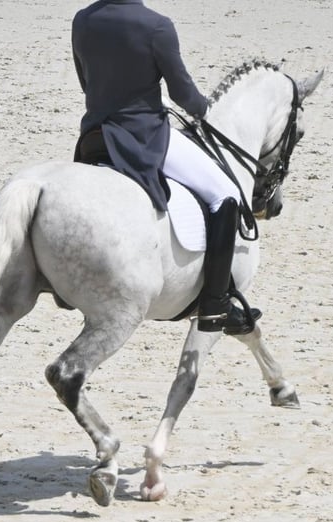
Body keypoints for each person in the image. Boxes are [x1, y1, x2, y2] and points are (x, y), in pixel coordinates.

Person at [72, 0, 259, 335]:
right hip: (143, 134)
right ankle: (216, 306)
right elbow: (181, 92)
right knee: (226, 195)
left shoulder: (83, 19)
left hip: (95, 135)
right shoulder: (156, 26)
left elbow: (87, 83)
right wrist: (203, 108)